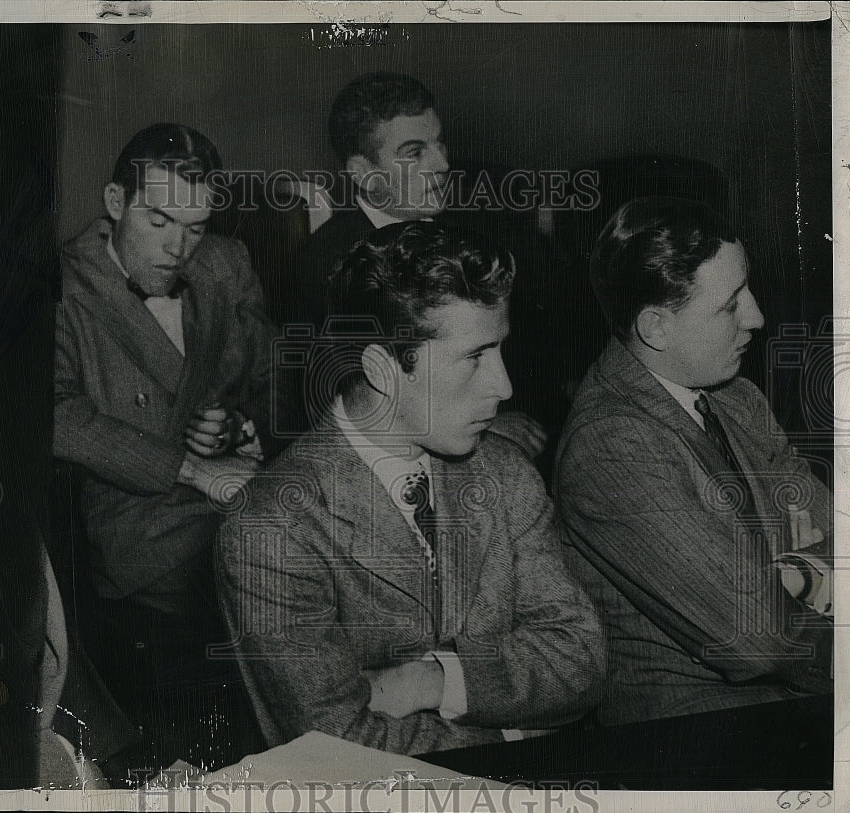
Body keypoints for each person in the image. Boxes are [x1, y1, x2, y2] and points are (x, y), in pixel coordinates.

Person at [217, 221, 603, 755]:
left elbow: (580, 660)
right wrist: (516, 728)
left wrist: (435, 681)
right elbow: (340, 747)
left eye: (500, 350)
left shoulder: (505, 472)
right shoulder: (272, 528)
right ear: (382, 369)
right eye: (475, 357)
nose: (504, 385)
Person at [555, 196, 833, 726]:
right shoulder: (611, 448)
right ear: (655, 328)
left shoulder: (735, 397)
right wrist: (807, 578)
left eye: (746, 287)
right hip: (701, 735)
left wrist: (794, 575)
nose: (756, 316)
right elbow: (758, 641)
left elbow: (834, 531)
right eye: (730, 304)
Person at [53, 123, 275, 765]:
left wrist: (240, 423)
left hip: (243, 506)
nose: (179, 247)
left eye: (196, 227)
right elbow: (58, 415)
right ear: (115, 202)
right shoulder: (63, 287)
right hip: (143, 537)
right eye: (159, 220)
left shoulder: (226, 265)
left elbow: (274, 377)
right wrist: (190, 467)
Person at [284, 71, 547, 458]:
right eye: (414, 152)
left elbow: (536, 344)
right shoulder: (325, 266)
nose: (441, 164)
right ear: (364, 173)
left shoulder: (483, 223)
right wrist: (489, 423)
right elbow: (342, 405)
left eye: (439, 142)